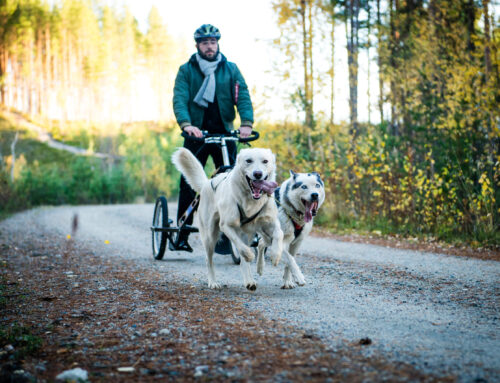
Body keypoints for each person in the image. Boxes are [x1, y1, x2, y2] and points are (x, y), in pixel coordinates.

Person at [172, 24, 254, 252]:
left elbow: (243, 96)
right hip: (196, 135)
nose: (210, 46)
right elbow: (180, 98)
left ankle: (232, 231)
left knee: (234, 182)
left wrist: (246, 124)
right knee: (189, 183)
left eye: (213, 42)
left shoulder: (231, 69)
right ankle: (182, 233)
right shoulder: (186, 71)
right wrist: (187, 125)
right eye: (205, 43)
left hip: (225, 133)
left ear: (218, 44)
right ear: (197, 45)